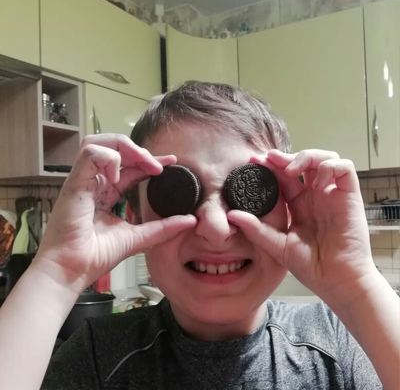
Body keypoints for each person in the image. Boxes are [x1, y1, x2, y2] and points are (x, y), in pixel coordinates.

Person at [0, 81, 398, 390]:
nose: (216, 229)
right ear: (135, 218)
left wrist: (356, 284)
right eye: (176, 194)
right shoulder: (97, 358)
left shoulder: (339, 344)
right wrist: (56, 273)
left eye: (250, 191)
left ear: (289, 212)